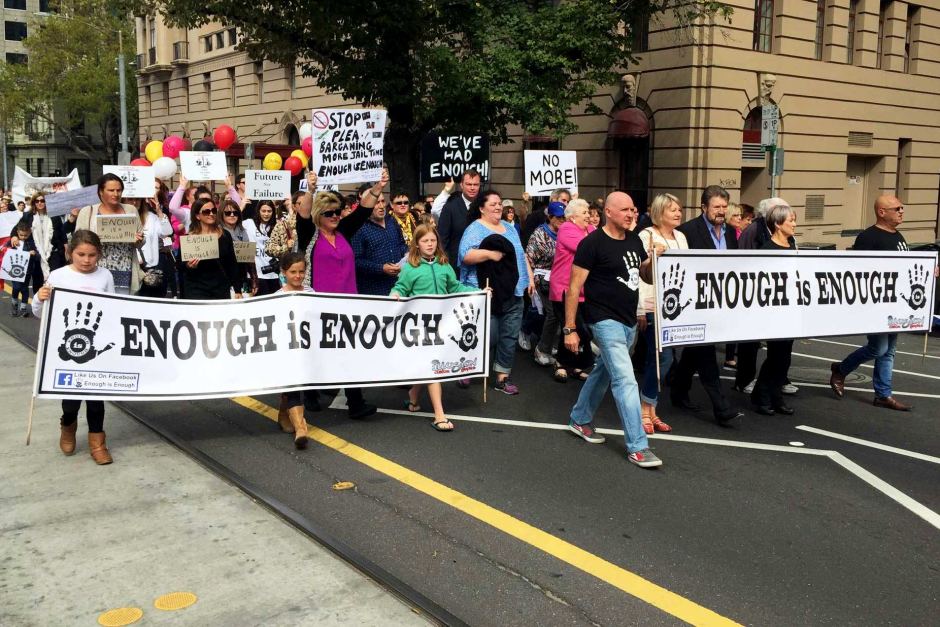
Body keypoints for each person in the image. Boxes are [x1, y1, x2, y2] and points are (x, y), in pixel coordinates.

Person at [563, 192, 662, 469]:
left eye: (633, 209)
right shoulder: (591, 244)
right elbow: (573, 287)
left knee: (604, 370)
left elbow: (644, 276)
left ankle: (579, 419)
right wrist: (570, 328)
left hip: (628, 319)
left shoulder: (633, 240)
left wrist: (652, 261)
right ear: (608, 211)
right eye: (625, 210)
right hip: (603, 321)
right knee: (625, 380)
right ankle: (638, 447)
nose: (631, 214)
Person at [289, 171, 382, 419]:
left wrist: (379, 186)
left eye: (337, 212)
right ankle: (309, 391)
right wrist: (310, 189)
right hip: (319, 305)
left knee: (349, 351)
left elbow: (363, 210)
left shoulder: (344, 231)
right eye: (329, 213)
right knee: (317, 351)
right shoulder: (311, 233)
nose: (335, 217)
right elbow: (304, 213)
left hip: (348, 303)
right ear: (320, 215)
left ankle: (356, 403)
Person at [829, 195, 929, 411]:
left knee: (889, 350)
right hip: (877, 306)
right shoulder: (869, 237)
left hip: (896, 304)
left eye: (902, 207)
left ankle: (883, 394)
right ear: (882, 212)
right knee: (879, 348)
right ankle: (841, 370)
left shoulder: (898, 236)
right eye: (896, 208)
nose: (901, 211)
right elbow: (859, 271)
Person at [33, 230, 116, 464]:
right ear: (70, 253)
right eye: (81, 254)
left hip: (96, 345)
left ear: (99, 254)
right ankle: (67, 425)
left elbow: (114, 309)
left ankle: (97, 443)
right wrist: (40, 297)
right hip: (66, 348)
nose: (86, 260)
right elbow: (40, 313)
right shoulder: (58, 276)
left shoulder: (105, 276)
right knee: (71, 400)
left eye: (92, 255)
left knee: (95, 398)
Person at [391, 224, 479, 431]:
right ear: (417, 244)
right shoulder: (410, 268)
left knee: (429, 364)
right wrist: (394, 295)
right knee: (434, 367)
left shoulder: (444, 265)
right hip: (420, 327)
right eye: (425, 241)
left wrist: (477, 292)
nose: (429, 244)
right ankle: (439, 415)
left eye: (432, 240)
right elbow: (400, 287)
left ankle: (413, 396)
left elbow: (455, 287)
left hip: (442, 325)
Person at [671, 185, 743, 424]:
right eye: (716, 207)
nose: (721, 211)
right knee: (705, 351)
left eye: (724, 207)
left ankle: (678, 390)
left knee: (694, 350)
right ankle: (721, 406)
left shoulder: (732, 233)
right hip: (694, 303)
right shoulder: (687, 231)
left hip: (720, 303)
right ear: (704, 207)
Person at [458, 190, 535, 394]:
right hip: (487, 291)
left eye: (500, 203)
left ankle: (502, 376)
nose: (498, 207)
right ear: (481, 208)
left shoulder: (510, 228)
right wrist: (491, 254)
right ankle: (467, 366)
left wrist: (529, 276)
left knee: (509, 335)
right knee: (486, 335)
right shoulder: (474, 229)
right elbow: (465, 256)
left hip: (513, 290)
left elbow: (521, 254)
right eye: (493, 204)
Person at [637, 194, 688, 433]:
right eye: (672, 210)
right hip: (651, 305)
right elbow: (640, 275)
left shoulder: (681, 237)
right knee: (661, 358)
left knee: (657, 359)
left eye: (679, 209)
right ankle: (644, 408)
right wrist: (640, 309)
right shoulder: (646, 235)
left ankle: (650, 410)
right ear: (659, 212)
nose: (678, 213)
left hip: (674, 308)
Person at [750, 203, 797, 416]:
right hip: (773, 311)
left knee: (785, 356)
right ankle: (762, 394)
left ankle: (775, 395)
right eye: (791, 221)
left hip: (791, 309)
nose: (795, 224)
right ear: (778, 224)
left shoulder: (792, 244)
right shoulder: (767, 250)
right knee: (776, 355)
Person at [66, 174, 144, 295]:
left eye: (119, 190)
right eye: (111, 190)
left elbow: (141, 239)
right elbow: (78, 241)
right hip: (95, 270)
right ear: (101, 192)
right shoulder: (88, 211)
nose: (116, 194)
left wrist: (138, 240)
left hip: (125, 270)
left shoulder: (131, 210)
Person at [549, 199, 596, 382]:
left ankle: (571, 363)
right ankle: (564, 361)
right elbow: (587, 248)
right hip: (564, 288)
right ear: (572, 216)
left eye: (588, 212)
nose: (588, 216)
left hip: (584, 290)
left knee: (573, 328)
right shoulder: (566, 229)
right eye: (584, 213)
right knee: (576, 328)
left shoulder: (590, 230)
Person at [274, 252, 314, 448]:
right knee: (294, 386)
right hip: (286, 352)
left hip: (305, 349)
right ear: (284, 273)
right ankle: (301, 428)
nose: (297, 276)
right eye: (293, 272)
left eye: (301, 272)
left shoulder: (312, 292)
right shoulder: (276, 297)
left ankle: (284, 413)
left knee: (298, 386)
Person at [525, 201, 566, 366]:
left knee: (560, 314)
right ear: (550, 217)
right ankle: (541, 348)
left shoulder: (566, 232)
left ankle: (550, 345)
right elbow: (528, 258)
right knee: (552, 313)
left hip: (561, 277)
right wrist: (530, 280)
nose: (562, 221)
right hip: (542, 278)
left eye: (564, 217)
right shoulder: (540, 233)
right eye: (559, 218)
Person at [181, 198, 243, 300]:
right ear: (197, 216)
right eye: (206, 212)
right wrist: (189, 265)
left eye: (214, 211)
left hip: (220, 289)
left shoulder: (225, 235)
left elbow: (232, 263)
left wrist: (237, 289)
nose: (211, 214)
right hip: (196, 290)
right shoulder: (189, 238)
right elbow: (180, 265)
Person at [351, 191, 407, 296]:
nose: (381, 206)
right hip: (375, 291)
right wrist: (381, 268)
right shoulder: (359, 228)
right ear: (366, 205)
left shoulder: (391, 221)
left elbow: (401, 243)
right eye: (376, 203)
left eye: (383, 201)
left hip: (398, 287)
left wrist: (407, 253)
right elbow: (356, 261)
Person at [438, 169, 483, 272]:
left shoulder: (484, 206)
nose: (472, 188)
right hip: (455, 267)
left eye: (475, 185)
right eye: (468, 184)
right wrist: (445, 266)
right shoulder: (450, 207)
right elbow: (442, 239)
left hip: (480, 266)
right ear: (462, 185)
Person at [136, 182, 174, 297]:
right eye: (129, 199)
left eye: (137, 199)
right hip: (129, 268)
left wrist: (158, 211)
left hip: (149, 270)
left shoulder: (151, 217)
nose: (133, 202)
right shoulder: (120, 217)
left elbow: (167, 232)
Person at [220, 200, 259, 297]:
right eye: (228, 213)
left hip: (242, 276)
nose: (232, 215)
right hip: (225, 278)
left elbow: (249, 259)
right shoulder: (218, 232)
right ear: (222, 215)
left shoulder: (243, 231)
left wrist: (254, 279)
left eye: (235, 212)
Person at [5, 219, 41, 317]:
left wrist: (34, 254)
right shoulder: (13, 242)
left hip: (27, 271)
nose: (23, 237)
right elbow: (4, 248)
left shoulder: (31, 243)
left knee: (25, 289)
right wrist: (6, 249)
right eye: (21, 235)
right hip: (15, 271)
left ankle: (23, 308)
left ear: (29, 233)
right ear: (17, 232)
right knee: (16, 288)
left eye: (26, 235)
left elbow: (38, 256)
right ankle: (14, 306)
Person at [26, 194, 68, 277]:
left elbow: (62, 232)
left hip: (53, 251)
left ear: (46, 202)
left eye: (42, 201)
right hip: (37, 253)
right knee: (38, 281)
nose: (39, 203)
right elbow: (17, 229)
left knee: (55, 277)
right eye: (37, 201)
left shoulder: (54, 215)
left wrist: (66, 246)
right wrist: (14, 237)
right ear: (34, 203)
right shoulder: (28, 216)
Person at [251, 200, 281, 295]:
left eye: (269, 211)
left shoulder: (279, 225)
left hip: (275, 274)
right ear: (258, 211)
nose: (266, 214)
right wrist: (242, 204)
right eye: (263, 211)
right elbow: (233, 219)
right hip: (258, 274)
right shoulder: (250, 224)